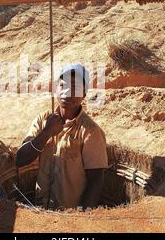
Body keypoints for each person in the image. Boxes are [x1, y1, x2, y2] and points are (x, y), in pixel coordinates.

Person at [15, 63, 108, 210]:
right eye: (63, 86)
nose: (68, 93)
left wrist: (83, 217)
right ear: (56, 89)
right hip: (39, 211)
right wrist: (46, 133)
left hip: (70, 216)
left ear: (83, 94)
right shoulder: (43, 120)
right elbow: (20, 159)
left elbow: (96, 180)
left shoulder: (91, 132)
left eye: (75, 88)